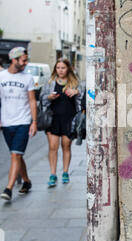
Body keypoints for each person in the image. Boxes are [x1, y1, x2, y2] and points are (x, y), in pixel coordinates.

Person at [0, 47, 37, 201]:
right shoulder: (1, 76)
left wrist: (34, 122)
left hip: (23, 121)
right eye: (23, 60)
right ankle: (27, 182)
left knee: (15, 154)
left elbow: (32, 100)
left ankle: (8, 189)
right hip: (6, 122)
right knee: (16, 155)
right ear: (14, 60)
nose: (26, 63)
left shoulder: (27, 78)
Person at [40, 58, 83, 187]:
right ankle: (52, 174)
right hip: (53, 119)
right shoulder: (50, 82)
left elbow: (82, 98)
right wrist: (49, 97)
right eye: (58, 68)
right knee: (53, 147)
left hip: (69, 119)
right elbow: (42, 99)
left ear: (68, 68)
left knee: (66, 146)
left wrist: (76, 92)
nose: (60, 70)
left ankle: (65, 172)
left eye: (63, 68)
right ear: (55, 69)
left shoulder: (74, 82)